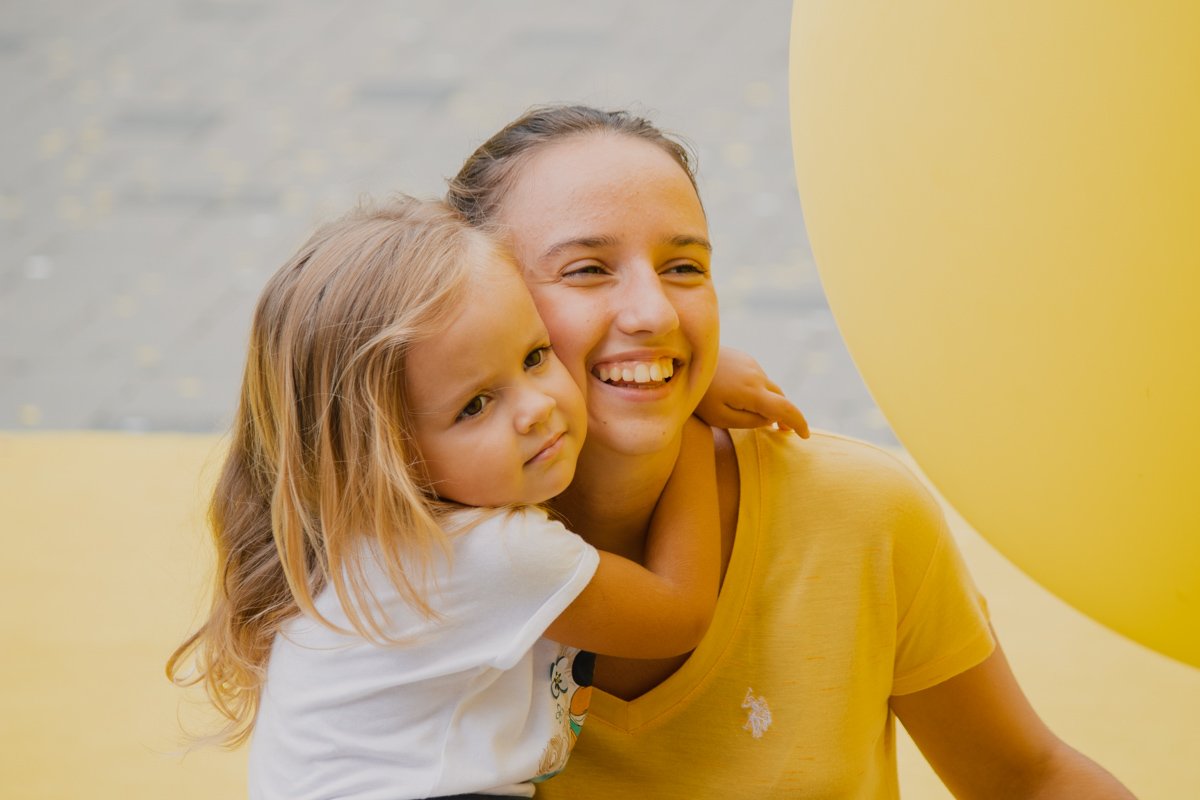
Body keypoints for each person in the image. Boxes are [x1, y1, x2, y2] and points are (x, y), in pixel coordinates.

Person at [447, 105, 1135, 798]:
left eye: (684, 267)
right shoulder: (402, 555)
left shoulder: (859, 513)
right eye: (589, 270)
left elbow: (1027, 777)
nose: (654, 313)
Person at [166, 197, 801, 799]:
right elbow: (678, 613)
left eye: (534, 355)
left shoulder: (363, 539)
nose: (535, 409)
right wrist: (685, 410)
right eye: (474, 405)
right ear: (385, 452)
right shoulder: (485, 553)